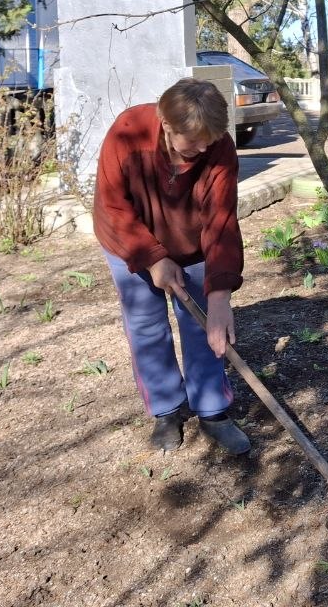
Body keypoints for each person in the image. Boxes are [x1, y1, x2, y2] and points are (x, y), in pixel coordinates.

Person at [93, 77, 250, 455]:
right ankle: (167, 410)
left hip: (191, 243)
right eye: (194, 141)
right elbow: (113, 207)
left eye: (209, 140)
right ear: (167, 125)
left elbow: (221, 220)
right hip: (128, 240)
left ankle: (212, 411)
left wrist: (219, 299)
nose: (203, 148)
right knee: (146, 325)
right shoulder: (128, 134)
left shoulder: (218, 147)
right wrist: (151, 256)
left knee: (202, 324)